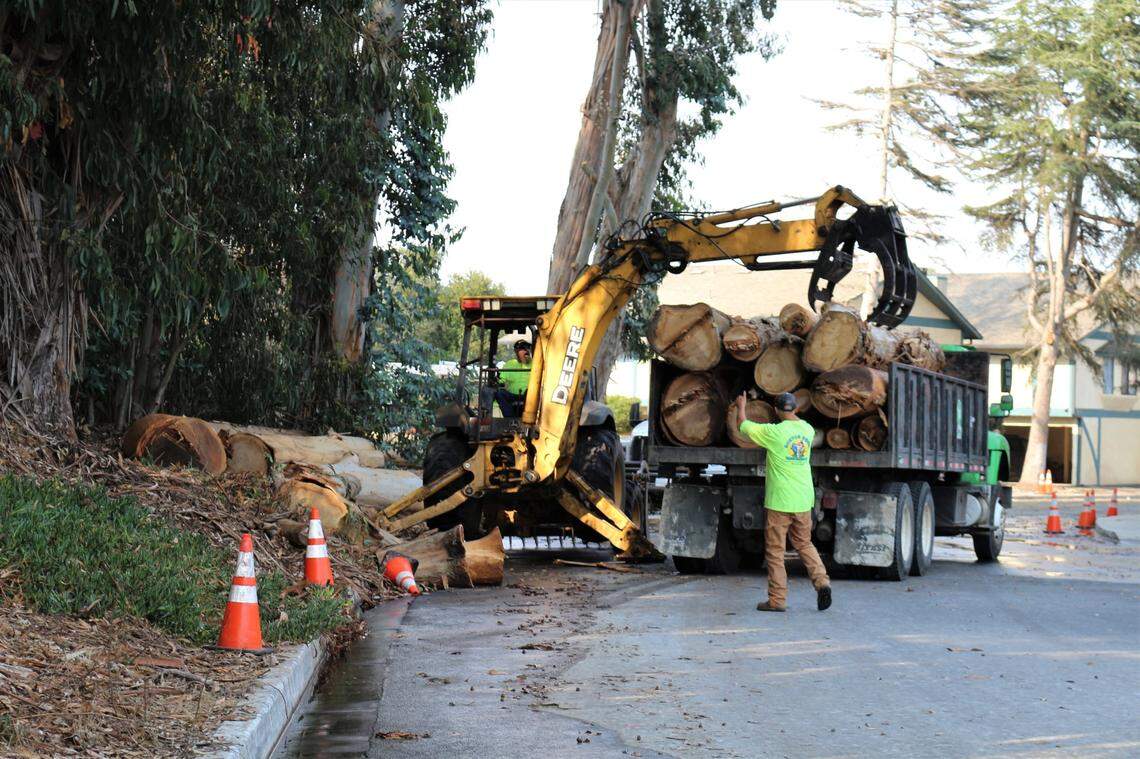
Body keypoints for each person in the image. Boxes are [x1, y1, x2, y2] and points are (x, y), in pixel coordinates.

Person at [735, 391, 832, 612]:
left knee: (776, 552)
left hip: (780, 501)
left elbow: (743, 425)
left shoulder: (774, 433)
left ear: (776, 410)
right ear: (795, 408)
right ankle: (822, 582)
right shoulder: (807, 430)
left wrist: (742, 406)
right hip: (803, 498)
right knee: (804, 544)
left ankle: (777, 600)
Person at [494, 340, 532, 417]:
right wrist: (497, 380)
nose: (526, 352)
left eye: (527, 349)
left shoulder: (537, 364)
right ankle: (510, 419)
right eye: (522, 350)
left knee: (530, 392)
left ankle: (530, 416)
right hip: (512, 396)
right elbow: (501, 380)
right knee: (499, 393)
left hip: (530, 396)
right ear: (516, 352)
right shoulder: (510, 364)